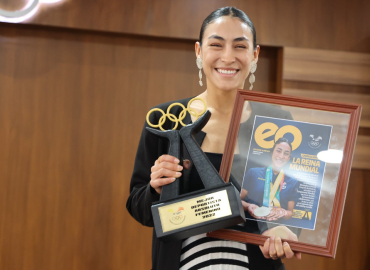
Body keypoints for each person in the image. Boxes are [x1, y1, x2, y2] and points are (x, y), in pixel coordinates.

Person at [126, 7, 301, 270]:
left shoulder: (276, 122)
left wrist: (288, 229)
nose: (228, 57)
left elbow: (296, 198)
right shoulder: (168, 118)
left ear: (254, 55)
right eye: (216, 44)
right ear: (199, 51)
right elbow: (138, 207)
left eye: (240, 46)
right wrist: (156, 188)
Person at [242, 138, 299, 222]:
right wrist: (248, 206)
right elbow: (238, 201)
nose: (281, 156)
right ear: (272, 152)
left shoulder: (293, 181)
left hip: (275, 226)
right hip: (251, 223)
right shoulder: (253, 173)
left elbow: (290, 212)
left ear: (289, 157)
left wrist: (283, 212)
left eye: (286, 154)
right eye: (278, 151)